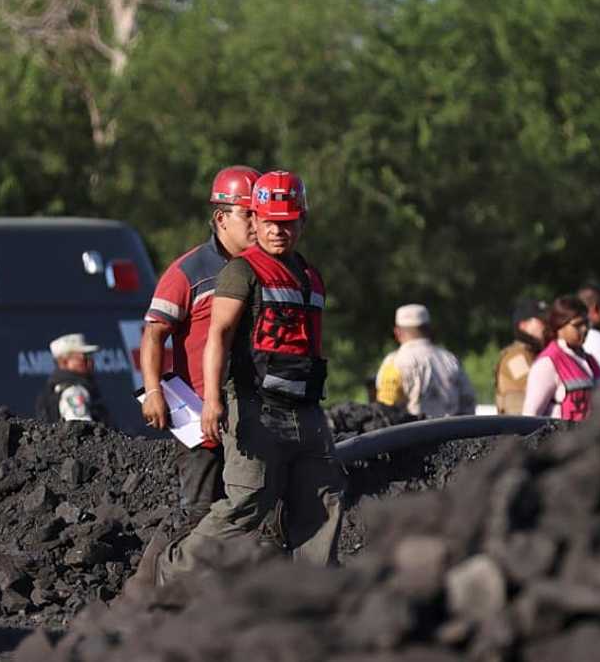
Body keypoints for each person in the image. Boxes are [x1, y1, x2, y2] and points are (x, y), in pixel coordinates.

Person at [156, 170, 345, 585]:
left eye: (289, 221)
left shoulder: (311, 277)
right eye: (271, 221)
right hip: (255, 404)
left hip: (305, 408)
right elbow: (217, 337)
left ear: (302, 222)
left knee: (323, 496)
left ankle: (314, 598)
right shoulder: (241, 272)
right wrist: (212, 402)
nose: (279, 230)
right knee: (248, 500)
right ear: (256, 221)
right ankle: (176, 573)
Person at [140, 165, 259, 531]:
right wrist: (153, 390)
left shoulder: (265, 269)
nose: (257, 224)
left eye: (260, 214)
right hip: (201, 419)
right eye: (247, 214)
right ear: (221, 218)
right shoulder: (189, 272)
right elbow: (154, 334)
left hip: (252, 414)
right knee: (202, 516)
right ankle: (180, 583)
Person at [375, 304, 476, 418]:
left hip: (414, 433)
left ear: (397, 333)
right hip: (453, 433)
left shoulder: (394, 363)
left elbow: (386, 408)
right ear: (429, 329)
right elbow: (468, 401)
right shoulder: (450, 360)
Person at [522, 295, 600, 421]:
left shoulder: (590, 360)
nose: (585, 329)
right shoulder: (547, 364)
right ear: (559, 327)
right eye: (578, 325)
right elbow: (530, 417)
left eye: (587, 323)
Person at [35, 333, 109, 424]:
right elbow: (82, 430)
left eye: (91, 357)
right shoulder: (73, 392)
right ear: (65, 362)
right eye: (84, 358)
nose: (90, 362)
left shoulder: (56, 388)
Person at [495, 298, 547, 414]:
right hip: (519, 429)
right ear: (523, 325)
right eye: (542, 321)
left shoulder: (536, 353)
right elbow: (536, 388)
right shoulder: (516, 357)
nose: (547, 326)